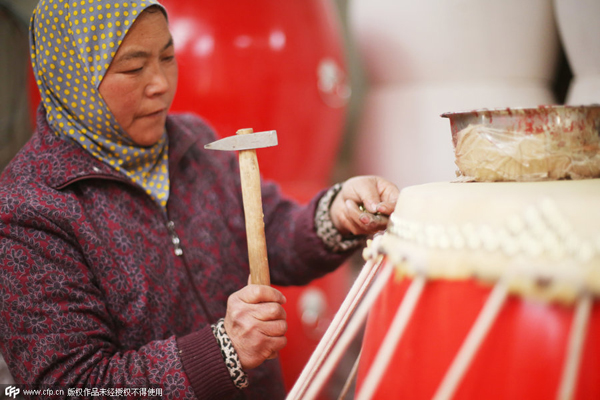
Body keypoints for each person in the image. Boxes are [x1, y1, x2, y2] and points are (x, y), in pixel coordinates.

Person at [0, 1, 399, 399]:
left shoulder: (191, 142)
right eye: (134, 68)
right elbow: (70, 385)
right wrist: (225, 350)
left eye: (168, 56)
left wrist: (339, 212)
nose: (160, 83)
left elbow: (271, 232)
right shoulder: (30, 207)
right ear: (72, 76)